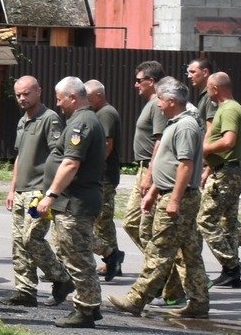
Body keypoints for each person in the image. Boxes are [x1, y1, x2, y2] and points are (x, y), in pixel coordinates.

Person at [107, 81, 208, 319]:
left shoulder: (185, 126)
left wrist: (174, 200)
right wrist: (153, 191)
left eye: (160, 99)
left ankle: (136, 300)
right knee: (190, 252)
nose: (158, 104)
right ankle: (199, 302)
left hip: (178, 197)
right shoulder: (176, 123)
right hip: (171, 193)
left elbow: (185, 166)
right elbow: (167, 163)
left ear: (172, 101)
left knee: (159, 250)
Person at [36, 78, 106, 328]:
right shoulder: (81, 120)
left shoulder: (82, 122)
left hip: (74, 203)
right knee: (75, 254)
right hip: (72, 202)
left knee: (78, 257)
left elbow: (70, 163)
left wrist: (51, 195)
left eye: (60, 99)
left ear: (73, 97)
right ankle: (90, 305)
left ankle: (86, 309)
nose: (58, 104)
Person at [198, 72, 241, 288]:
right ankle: (232, 275)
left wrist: (205, 149)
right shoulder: (229, 108)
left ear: (215, 88)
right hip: (228, 170)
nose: (207, 92)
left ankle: (231, 266)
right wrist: (209, 168)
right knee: (228, 223)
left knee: (205, 220)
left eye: (208, 88)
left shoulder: (229, 109)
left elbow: (228, 141)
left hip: (227, 173)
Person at [0, 76, 66, 307]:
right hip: (21, 191)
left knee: (31, 238)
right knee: (19, 241)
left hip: (39, 191)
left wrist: (50, 192)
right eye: (18, 95)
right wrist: (12, 189)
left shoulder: (50, 119)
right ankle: (25, 290)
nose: (22, 99)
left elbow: (57, 156)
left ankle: (61, 277)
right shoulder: (23, 120)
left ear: (38, 91)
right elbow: (19, 157)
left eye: (26, 94)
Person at [122, 61, 178, 299]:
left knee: (141, 225)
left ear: (151, 82)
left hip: (151, 170)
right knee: (134, 224)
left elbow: (160, 141)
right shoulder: (152, 103)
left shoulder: (157, 104)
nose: (135, 85)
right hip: (144, 168)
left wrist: (150, 175)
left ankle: (166, 274)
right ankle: (161, 273)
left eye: (139, 80)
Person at [86, 80, 124, 279]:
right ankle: (112, 260)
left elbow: (107, 145)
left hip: (105, 176)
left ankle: (113, 261)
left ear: (99, 95)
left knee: (103, 220)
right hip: (102, 175)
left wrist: (94, 168)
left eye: (88, 97)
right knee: (103, 221)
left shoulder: (106, 113)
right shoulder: (98, 112)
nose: (85, 100)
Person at [187, 56, 217, 125]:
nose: (189, 76)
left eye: (193, 72)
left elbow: (211, 125)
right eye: (188, 73)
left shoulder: (211, 94)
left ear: (205, 72)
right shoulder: (205, 94)